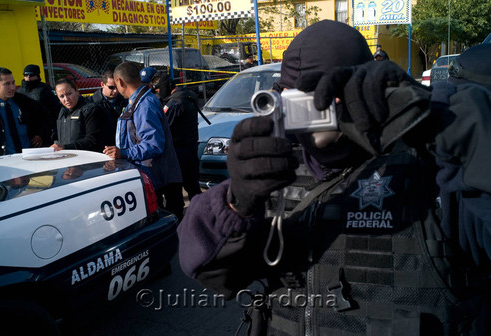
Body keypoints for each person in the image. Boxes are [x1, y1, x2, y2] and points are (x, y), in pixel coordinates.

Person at [177, 20, 490, 336]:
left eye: (321, 94)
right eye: (293, 98)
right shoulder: (276, 172)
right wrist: (237, 205)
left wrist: (446, 122)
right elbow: (204, 268)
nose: (310, 113)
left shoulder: (433, 166)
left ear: (364, 87)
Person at [103, 62, 184, 220]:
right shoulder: (138, 101)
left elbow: (154, 144)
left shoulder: (144, 104)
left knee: (169, 224)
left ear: (120, 82)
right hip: (156, 175)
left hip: (161, 178)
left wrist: (123, 153)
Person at [152, 72, 202, 202]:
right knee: (193, 187)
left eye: (158, 89)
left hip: (178, 152)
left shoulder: (174, 103)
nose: (158, 92)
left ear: (165, 86)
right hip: (191, 148)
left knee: (174, 191)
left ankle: (179, 219)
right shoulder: (188, 94)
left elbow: (164, 126)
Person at [0, 67, 47, 156]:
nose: (13, 87)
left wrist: (39, 134)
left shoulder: (23, 101)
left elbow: (44, 116)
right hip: (2, 159)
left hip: (28, 156)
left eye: (13, 82)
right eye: (7, 84)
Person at [51, 78, 106, 152]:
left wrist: (66, 147)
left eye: (69, 94)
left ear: (77, 91)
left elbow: (92, 140)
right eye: (62, 96)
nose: (66, 99)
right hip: (67, 158)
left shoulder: (90, 110)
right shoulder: (62, 111)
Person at [16, 64, 62, 144]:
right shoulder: (18, 92)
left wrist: (41, 133)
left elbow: (54, 113)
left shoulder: (46, 90)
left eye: (32, 74)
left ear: (37, 75)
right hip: (24, 134)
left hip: (44, 134)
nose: (28, 77)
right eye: (26, 74)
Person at [87, 66, 128, 146]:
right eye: (111, 87)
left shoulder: (125, 101)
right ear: (102, 84)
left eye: (117, 87)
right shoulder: (91, 103)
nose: (115, 91)